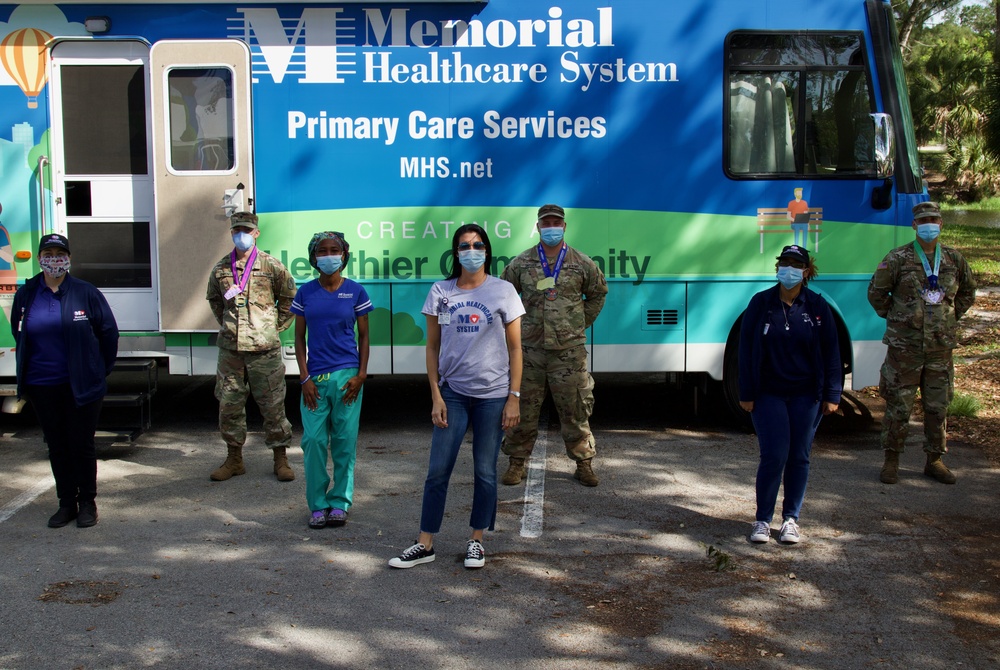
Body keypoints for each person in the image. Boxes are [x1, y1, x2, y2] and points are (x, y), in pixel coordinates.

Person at [389, 224, 524, 570]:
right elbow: (432, 346)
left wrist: (514, 397)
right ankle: (425, 543)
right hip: (452, 394)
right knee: (437, 471)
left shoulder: (504, 291)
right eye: (464, 246)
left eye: (478, 245)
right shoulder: (441, 291)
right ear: (456, 252)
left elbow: (516, 347)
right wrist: (436, 394)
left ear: (487, 251)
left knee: (485, 471)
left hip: (493, 396)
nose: (472, 250)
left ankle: (476, 540)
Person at [11, 233, 119, 528]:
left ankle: (87, 504)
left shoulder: (85, 292)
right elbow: (19, 332)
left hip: (81, 386)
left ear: (69, 258)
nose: (54, 259)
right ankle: (65, 503)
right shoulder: (27, 293)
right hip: (41, 385)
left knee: (81, 444)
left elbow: (109, 333)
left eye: (60, 253)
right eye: (49, 253)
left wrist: (100, 369)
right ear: (39, 258)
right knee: (57, 446)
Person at [499, 204, 608, 487]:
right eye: (545, 222)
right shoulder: (521, 263)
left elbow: (598, 293)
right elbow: (503, 295)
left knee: (574, 409)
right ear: (538, 227)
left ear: (564, 227)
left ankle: (584, 464)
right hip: (529, 353)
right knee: (522, 409)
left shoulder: (582, 263)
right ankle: (516, 463)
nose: (551, 227)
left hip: (568, 353)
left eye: (555, 222)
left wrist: (578, 322)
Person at [868, 201, 976, 485]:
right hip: (905, 348)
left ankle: (934, 460)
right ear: (914, 225)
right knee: (898, 405)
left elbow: (967, 293)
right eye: (923, 220)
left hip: (940, 347)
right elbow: (877, 293)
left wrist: (948, 318)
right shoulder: (897, 259)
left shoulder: (954, 259)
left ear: (941, 224)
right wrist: (898, 318)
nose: (929, 225)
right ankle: (891, 460)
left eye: (934, 220)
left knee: (937, 405)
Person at [739, 245, 841, 544]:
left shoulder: (818, 307)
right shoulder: (761, 303)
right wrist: (746, 392)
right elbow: (745, 352)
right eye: (784, 263)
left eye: (796, 265)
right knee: (774, 454)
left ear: (807, 271)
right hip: (768, 393)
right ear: (777, 268)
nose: (789, 269)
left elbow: (831, 353)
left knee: (799, 455)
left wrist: (832, 394)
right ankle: (762, 520)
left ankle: (791, 520)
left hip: (806, 395)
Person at [206, 211, 297, 482]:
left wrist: (272, 328)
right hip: (231, 349)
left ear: (256, 233)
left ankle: (280, 459)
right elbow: (215, 300)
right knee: (229, 403)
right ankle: (234, 459)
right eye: (236, 230)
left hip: (264, 348)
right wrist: (230, 326)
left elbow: (289, 297)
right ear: (231, 233)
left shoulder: (272, 266)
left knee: (272, 404)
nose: (241, 234)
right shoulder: (222, 268)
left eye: (246, 230)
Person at [292, 232, 372, 529]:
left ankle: (339, 502)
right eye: (322, 251)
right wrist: (304, 378)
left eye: (334, 250)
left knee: (344, 442)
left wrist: (361, 375)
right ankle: (317, 504)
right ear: (314, 258)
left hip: (347, 378)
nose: (329, 256)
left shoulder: (356, 292)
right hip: (314, 380)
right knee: (313, 441)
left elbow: (364, 337)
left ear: (344, 254)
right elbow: (299, 338)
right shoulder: (305, 293)